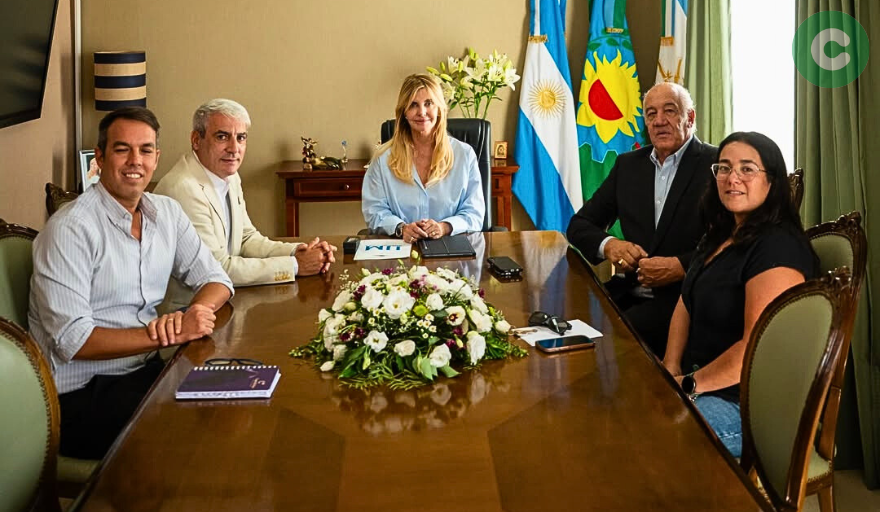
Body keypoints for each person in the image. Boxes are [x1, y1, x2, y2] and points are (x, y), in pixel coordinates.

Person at [29, 107, 234, 459]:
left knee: (233, 399)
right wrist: (169, 334)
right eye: (122, 149)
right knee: (195, 435)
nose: (135, 161)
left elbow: (217, 279)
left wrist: (194, 314)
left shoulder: (166, 213)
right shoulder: (70, 229)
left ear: (157, 158)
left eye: (145, 150)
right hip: (78, 397)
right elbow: (73, 340)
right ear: (100, 158)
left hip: (143, 373)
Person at [661, 131, 818, 457]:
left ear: (772, 181)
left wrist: (687, 385)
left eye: (747, 169)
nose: (732, 178)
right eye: (724, 167)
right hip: (703, 385)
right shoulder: (719, 235)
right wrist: (670, 368)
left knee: (651, 433)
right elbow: (685, 302)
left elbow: (756, 347)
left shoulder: (778, 247)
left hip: (752, 406)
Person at [566, 82, 716, 355]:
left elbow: (733, 241)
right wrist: (610, 245)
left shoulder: (717, 165)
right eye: (651, 113)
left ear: (690, 117)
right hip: (628, 292)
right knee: (567, 320)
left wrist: (682, 266)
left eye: (669, 111)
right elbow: (579, 226)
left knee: (609, 340)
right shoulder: (628, 166)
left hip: (687, 300)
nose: (659, 121)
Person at [154, 99, 336, 287]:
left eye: (241, 138)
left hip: (223, 296)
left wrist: (300, 251)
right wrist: (295, 265)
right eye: (222, 137)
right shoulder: (183, 188)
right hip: (190, 302)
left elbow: (246, 239)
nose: (234, 149)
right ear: (196, 140)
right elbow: (216, 269)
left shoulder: (229, 175)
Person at [362, 73, 485, 242]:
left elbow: (474, 213)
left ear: (439, 109)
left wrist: (444, 227)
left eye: (429, 103)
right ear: (404, 112)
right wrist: (401, 228)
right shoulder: (382, 159)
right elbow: (374, 211)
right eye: (413, 105)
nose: (422, 112)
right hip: (402, 247)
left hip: (452, 247)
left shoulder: (464, 155)